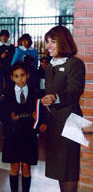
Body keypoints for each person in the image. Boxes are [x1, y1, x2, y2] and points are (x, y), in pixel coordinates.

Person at [41, 25, 85, 192]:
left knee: (69, 169)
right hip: (54, 122)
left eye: (53, 42)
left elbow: (75, 90)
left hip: (71, 121)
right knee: (60, 169)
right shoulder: (49, 65)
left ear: (64, 42)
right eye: (47, 42)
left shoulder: (75, 64)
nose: (48, 46)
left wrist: (55, 98)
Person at [0, 62, 45, 192]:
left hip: (29, 135)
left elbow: (41, 111)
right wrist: (10, 118)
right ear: (12, 78)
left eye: (22, 75)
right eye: (16, 76)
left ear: (28, 75)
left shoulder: (36, 92)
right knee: (14, 165)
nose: (20, 79)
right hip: (12, 134)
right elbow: (2, 113)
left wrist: (39, 120)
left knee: (26, 166)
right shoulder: (6, 92)